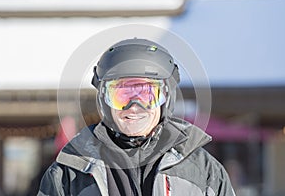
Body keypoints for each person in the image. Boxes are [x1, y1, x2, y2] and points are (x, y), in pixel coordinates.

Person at [38, 38, 236, 196]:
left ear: (166, 98)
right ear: (105, 101)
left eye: (146, 94)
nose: (134, 107)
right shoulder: (69, 174)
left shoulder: (202, 171)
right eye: (121, 95)